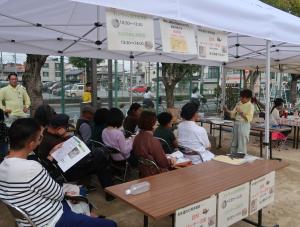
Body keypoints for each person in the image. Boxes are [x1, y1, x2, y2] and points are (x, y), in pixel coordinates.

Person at [0, 118, 117, 227]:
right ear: (31, 144)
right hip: (51, 219)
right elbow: (58, 195)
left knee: (79, 192)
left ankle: (89, 218)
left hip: (30, 218)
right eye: (40, 137)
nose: (41, 140)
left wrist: (50, 156)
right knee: (111, 224)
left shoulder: (3, 166)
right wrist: (68, 191)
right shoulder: (31, 168)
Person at [37, 114, 113, 199]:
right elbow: (81, 156)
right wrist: (70, 137)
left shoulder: (46, 135)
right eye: (66, 128)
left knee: (101, 162)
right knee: (101, 159)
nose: (67, 130)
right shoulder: (54, 142)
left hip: (61, 169)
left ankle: (110, 192)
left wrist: (66, 136)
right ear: (59, 129)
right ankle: (110, 192)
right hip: (68, 173)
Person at [133, 111, 176, 177]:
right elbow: (163, 163)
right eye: (156, 121)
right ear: (152, 123)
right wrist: (171, 161)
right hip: (156, 173)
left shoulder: (137, 137)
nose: (157, 123)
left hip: (143, 171)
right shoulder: (153, 140)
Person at [224, 89, 254, 154]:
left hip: (244, 124)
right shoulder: (239, 103)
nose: (241, 99)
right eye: (241, 97)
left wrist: (241, 113)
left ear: (248, 98)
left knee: (242, 141)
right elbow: (233, 113)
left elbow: (249, 118)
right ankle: (232, 154)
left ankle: (241, 156)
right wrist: (227, 110)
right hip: (236, 123)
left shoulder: (251, 106)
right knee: (234, 140)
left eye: (243, 97)